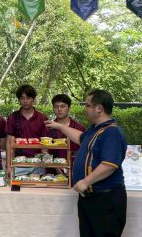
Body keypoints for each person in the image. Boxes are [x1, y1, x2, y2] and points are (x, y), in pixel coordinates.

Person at [45, 89, 127, 237]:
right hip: (90, 198)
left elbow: (109, 165)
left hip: (105, 200)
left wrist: (85, 181)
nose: (85, 109)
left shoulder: (112, 132)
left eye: (88, 105)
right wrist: (60, 126)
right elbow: (80, 138)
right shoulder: (95, 129)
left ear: (99, 108)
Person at [5, 84, 47, 177]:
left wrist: (46, 162)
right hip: (18, 163)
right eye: (22, 98)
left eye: (28, 98)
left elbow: (45, 144)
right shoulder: (13, 117)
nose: (25, 101)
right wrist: (8, 166)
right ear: (19, 100)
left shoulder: (42, 118)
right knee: (16, 186)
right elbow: (9, 143)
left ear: (33, 99)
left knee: (39, 186)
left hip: (38, 163)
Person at [47, 94, 85, 161]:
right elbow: (44, 150)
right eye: (56, 107)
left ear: (69, 108)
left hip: (74, 165)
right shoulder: (48, 127)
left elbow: (84, 150)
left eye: (63, 106)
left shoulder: (79, 128)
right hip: (53, 166)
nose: (59, 109)